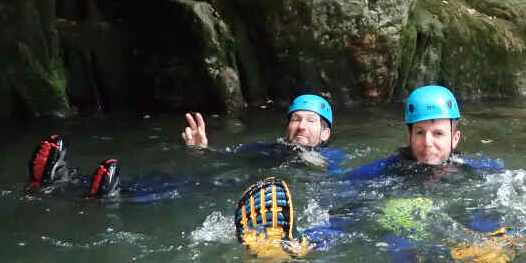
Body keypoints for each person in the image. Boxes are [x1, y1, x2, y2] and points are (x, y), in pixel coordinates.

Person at [343, 85, 501, 180]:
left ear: (455, 138)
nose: (427, 142)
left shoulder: (476, 170)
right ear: (409, 135)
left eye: (438, 133)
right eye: (419, 133)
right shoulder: (387, 170)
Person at [182, 94, 346, 170]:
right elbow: (226, 160)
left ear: (325, 133)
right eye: (296, 119)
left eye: (311, 121)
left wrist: (317, 164)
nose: (302, 126)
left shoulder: (335, 157)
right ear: (287, 127)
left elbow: (341, 180)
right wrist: (201, 151)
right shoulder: (263, 150)